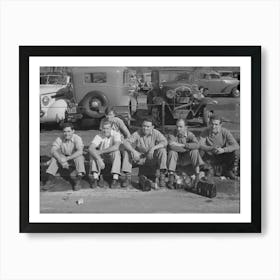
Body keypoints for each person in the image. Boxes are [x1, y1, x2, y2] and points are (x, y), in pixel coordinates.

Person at [122, 118, 168, 188]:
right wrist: (134, 151)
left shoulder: (156, 133)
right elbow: (126, 143)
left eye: (148, 126)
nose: (145, 128)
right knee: (126, 152)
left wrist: (153, 148)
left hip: (151, 158)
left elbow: (165, 142)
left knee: (162, 150)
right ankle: (127, 178)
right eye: (144, 126)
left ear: (152, 127)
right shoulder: (137, 133)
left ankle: (162, 177)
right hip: (140, 158)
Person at [43, 123, 85, 191]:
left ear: (73, 131)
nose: (66, 134)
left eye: (68, 131)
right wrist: (60, 159)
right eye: (64, 131)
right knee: (54, 158)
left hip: (73, 157)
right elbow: (53, 150)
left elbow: (80, 151)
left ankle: (78, 181)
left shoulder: (77, 138)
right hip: (63, 157)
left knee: (79, 157)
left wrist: (67, 158)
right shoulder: (60, 137)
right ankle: (50, 180)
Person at [199, 114, 239, 180]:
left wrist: (223, 150)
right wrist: (211, 148)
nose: (213, 126)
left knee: (235, 152)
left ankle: (229, 170)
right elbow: (200, 145)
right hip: (210, 157)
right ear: (209, 123)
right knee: (200, 151)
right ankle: (205, 169)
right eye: (212, 124)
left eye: (216, 124)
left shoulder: (225, 132)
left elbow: (236, 145)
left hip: (222, 155)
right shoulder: (205, 132)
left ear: (220, 125)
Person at [167, 119, 204, 189]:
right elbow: (171, 146)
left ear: (186, 127)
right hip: (177, 158)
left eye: (181, 127)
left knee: (195, 151)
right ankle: (171, 178)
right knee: (172, 152)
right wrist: (188, 147)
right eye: (177, 126)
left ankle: (197, 177)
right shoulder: (172, 134)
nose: (178, 129)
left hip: (187, 157)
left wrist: (182, 145)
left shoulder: (190, 135)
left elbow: (197, 145)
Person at [89, 120, 122, 188]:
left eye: (107, 128)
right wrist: (99, 159)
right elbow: (90, 148)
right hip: (102, 157)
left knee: (116, 152)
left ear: (111, 128)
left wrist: (100, 152)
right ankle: (95, 178)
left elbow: (116, 147)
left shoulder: (116, 134)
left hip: (111, 155)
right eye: (104, 128)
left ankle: (115, 178)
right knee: (93, 153)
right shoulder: (99, 135)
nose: (105, 130)